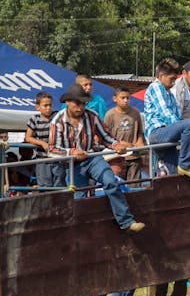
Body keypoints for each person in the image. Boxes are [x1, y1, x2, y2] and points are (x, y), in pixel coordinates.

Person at [50, 84, 145, 233]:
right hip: (71, 164)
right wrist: (72, 152)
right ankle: (78, 231)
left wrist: (116, 145)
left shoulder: (92, 116)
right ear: (67, 102)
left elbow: (106, 136)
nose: (80, 107)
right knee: (79, 197)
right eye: (77, 103)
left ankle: (126, 222)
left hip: (92, 158)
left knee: (110, 181)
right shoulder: (57, 121)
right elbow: (52, 149)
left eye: (83, 103)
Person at [75, 154, 136, 296]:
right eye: (118, 161)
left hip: (99, 232)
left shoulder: (94, 184)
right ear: (108, 164)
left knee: (105, 269)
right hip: (116, 231)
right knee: (129, 268)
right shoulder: (114, 182)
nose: (123, 164)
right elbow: (132, 196)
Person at [144, 58, 190, 179]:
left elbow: (176, 115)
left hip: (168, 136)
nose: (173, 82)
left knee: (177, 177)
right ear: (162, 76)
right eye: (171, 79)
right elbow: (166, 113)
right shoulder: (155, 87)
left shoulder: (169, 93)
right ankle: (186, 165)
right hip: (157, 133)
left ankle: (185, 167)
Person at [103, 87, 145, 182]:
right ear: (115, 99)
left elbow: (140, 132)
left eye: (128, 98)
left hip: (133, 156)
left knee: (135, 185)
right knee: (118, 185)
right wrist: (120, 143)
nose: (126, 100)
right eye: (122, 98)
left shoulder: (135, 113)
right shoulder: (110, 115)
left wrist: (140, 143)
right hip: (117, 157)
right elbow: (105, 136)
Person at [25, 91, 65, 188]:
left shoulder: (57, 117)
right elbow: (28, 138)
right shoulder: (34, 119)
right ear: (37, 107)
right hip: (42, 159)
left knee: (59, 186)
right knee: (45, 187)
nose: (48, 108)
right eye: (45, 105)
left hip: (57, 158)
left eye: (50, 105)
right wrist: (42, 143)